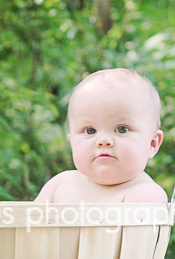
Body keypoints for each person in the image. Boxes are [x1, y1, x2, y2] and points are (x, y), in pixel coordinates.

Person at [34, 68, 167, 203]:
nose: (103, 141)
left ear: (152, 144)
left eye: (122, 129)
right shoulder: (60, 185)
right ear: (72, 141)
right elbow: (26, 221)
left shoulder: (145, 194)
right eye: (90, 131)